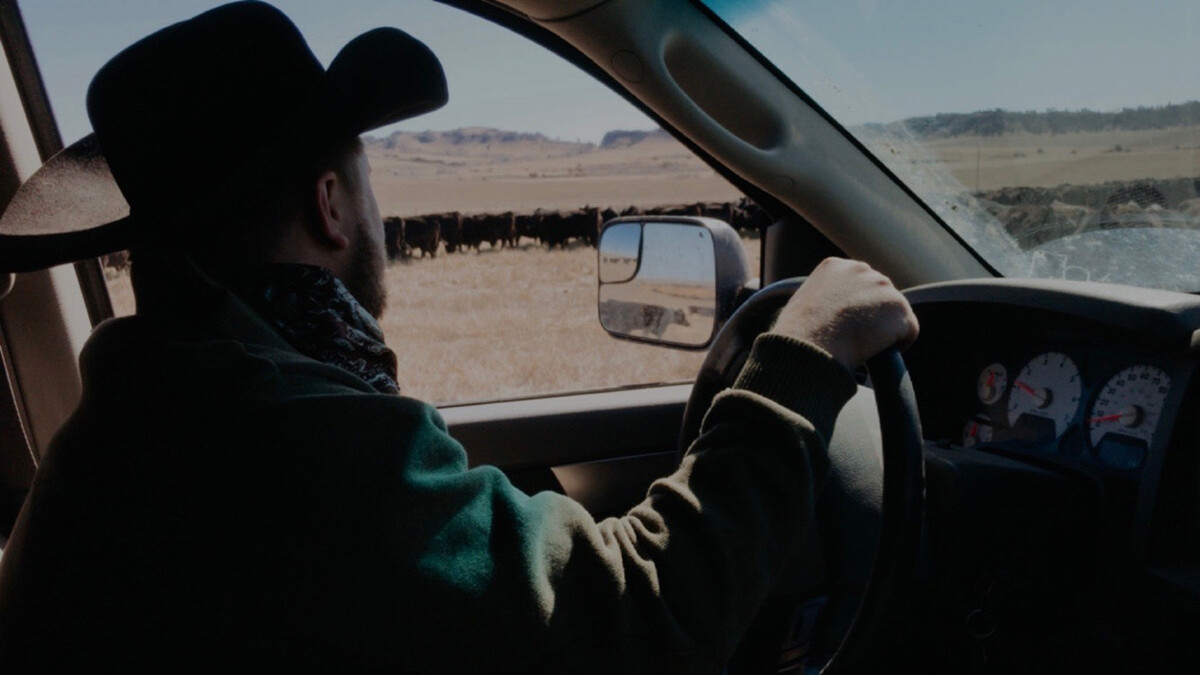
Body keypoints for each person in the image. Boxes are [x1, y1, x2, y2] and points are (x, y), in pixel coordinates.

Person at [0, 2, 918, 670]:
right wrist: (802, 356)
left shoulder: (124, 429)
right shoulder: (288, 436)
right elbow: (635, 623)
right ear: (329, 204)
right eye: (365, 184)